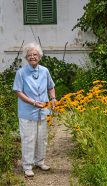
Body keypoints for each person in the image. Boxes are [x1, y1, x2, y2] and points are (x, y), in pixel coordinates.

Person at [13, 42, 56, 177]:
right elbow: (18, 91)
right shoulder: (21, 73)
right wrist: (32, 102)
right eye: (29, 55)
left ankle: (40, 161)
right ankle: (27, 166)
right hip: (27, 111)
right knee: (28, 139)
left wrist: (53, 98)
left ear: (40, 56)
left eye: (35, 54)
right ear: (26, 58)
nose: (32, 57)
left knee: (42, 138)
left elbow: (51, 86)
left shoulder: (44, 71)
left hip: (43, 110)